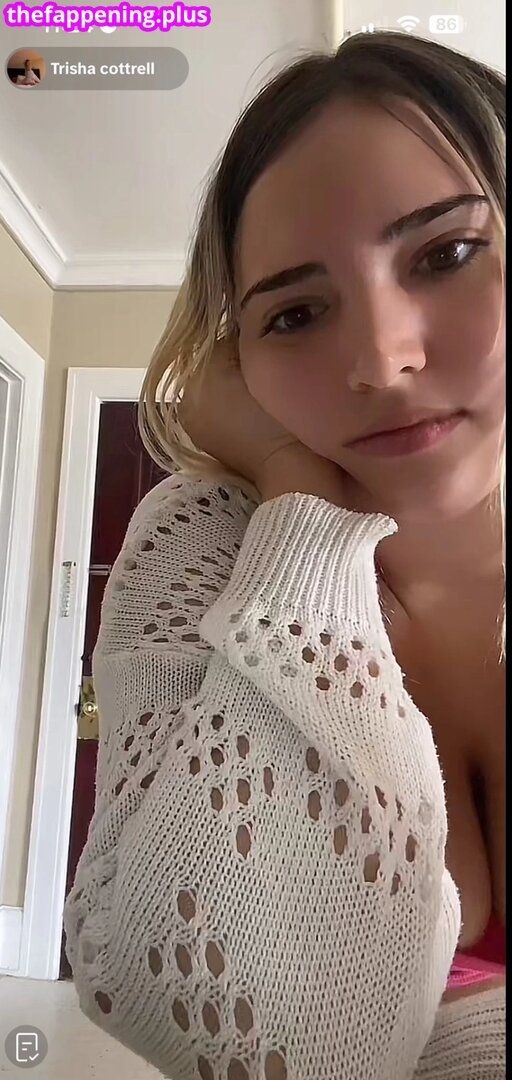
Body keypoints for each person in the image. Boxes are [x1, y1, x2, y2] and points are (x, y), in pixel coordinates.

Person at [64, 30, 505, 1079]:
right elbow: (179, 995)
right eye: (296, 312)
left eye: (445, 254)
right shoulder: (200, 542)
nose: (380, 360)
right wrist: (298, 506)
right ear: (239, 357)